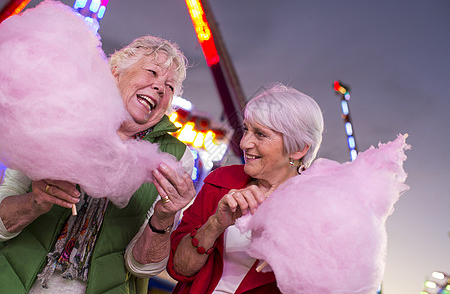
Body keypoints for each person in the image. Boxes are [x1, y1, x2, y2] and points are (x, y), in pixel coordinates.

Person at [0, 35, 196, 294]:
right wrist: (35, 201)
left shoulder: (176, 157)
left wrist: (164, 216)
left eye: (170, 87)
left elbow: (143, 268)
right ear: (116, 72)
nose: (160, 87)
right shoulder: (59, 117)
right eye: (152, 72)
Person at [163, 83, 324, 293]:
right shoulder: (221, 180)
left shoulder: (317, 212)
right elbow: (178, 268)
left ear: (299, 149)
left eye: (261, 134)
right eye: (246, 129)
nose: (244, 143)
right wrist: (214, 225)